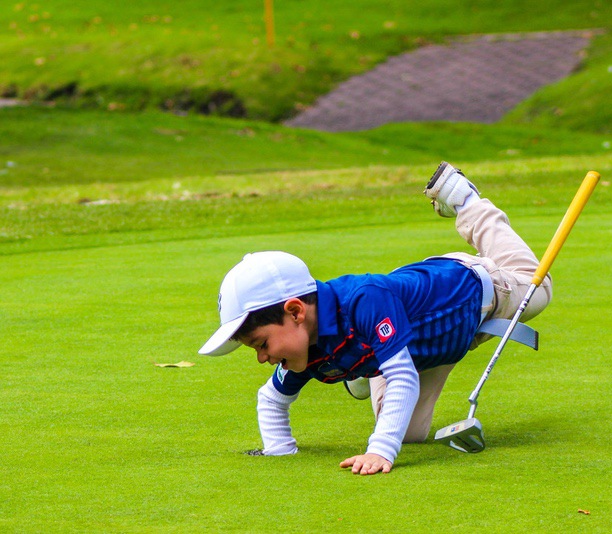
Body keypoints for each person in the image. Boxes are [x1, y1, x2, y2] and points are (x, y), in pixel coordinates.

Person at [198, 162, 553, 475]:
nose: (262, 358)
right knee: (409, 434)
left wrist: (380, 450)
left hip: (475, 290)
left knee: (538, 287)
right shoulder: (303, 348)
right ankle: (359, 366)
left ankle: (465, 201)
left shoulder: (364, 300)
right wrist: (280, 451)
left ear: (295, 311)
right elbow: (271, 398)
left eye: (262, 344)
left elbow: (401, 377)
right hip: (418, 346)